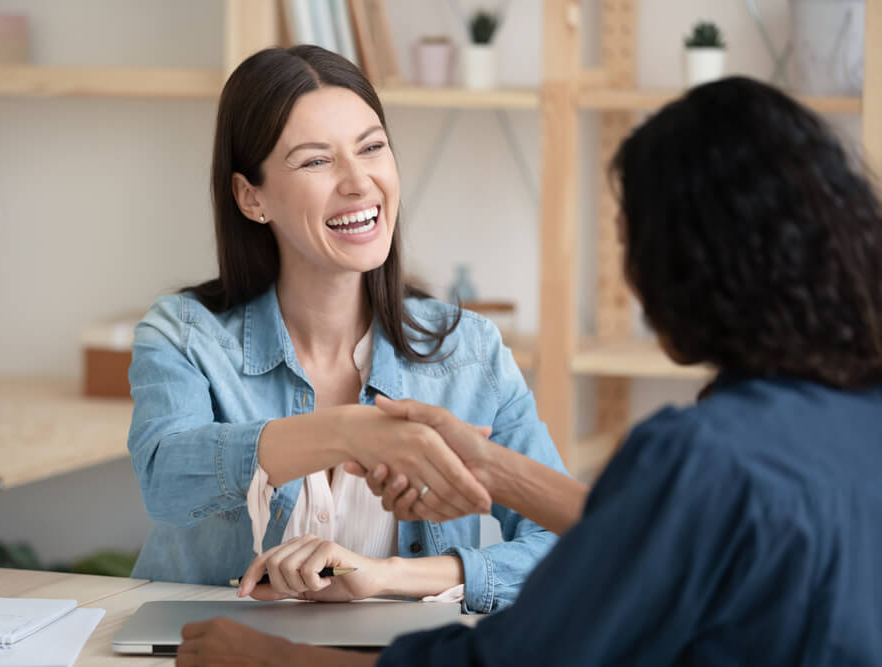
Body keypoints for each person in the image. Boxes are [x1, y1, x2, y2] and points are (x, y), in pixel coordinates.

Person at [173, 76, 882, 666]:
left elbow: (515, 661)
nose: (631, 279)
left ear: (687, 266)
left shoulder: (700, 458)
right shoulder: (856, 414)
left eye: (628, 242)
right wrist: (487, 465)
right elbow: (655, 527)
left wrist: (274, 659)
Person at [126, 44, 569, 614]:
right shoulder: (184, 335)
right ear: (251, 197)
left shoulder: (470, 353)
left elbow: (570, 546)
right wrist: (348, 432)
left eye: (372, 148)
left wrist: (389, 576)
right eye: (316, 161)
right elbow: (165, 478)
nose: (359, 182)